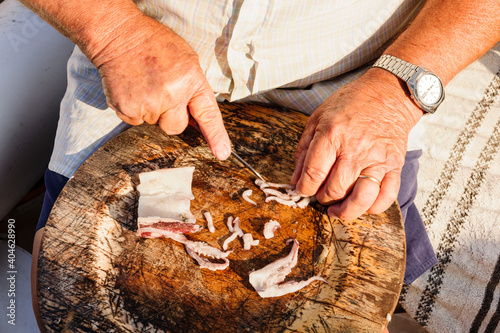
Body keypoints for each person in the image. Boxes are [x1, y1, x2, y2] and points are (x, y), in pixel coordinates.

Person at [22, 0, 499, 331]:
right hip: (137, 56)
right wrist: (113, 34)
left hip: (369, 81)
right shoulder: (120, 39)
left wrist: (399, 94)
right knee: (63, 286)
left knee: (366, 293)